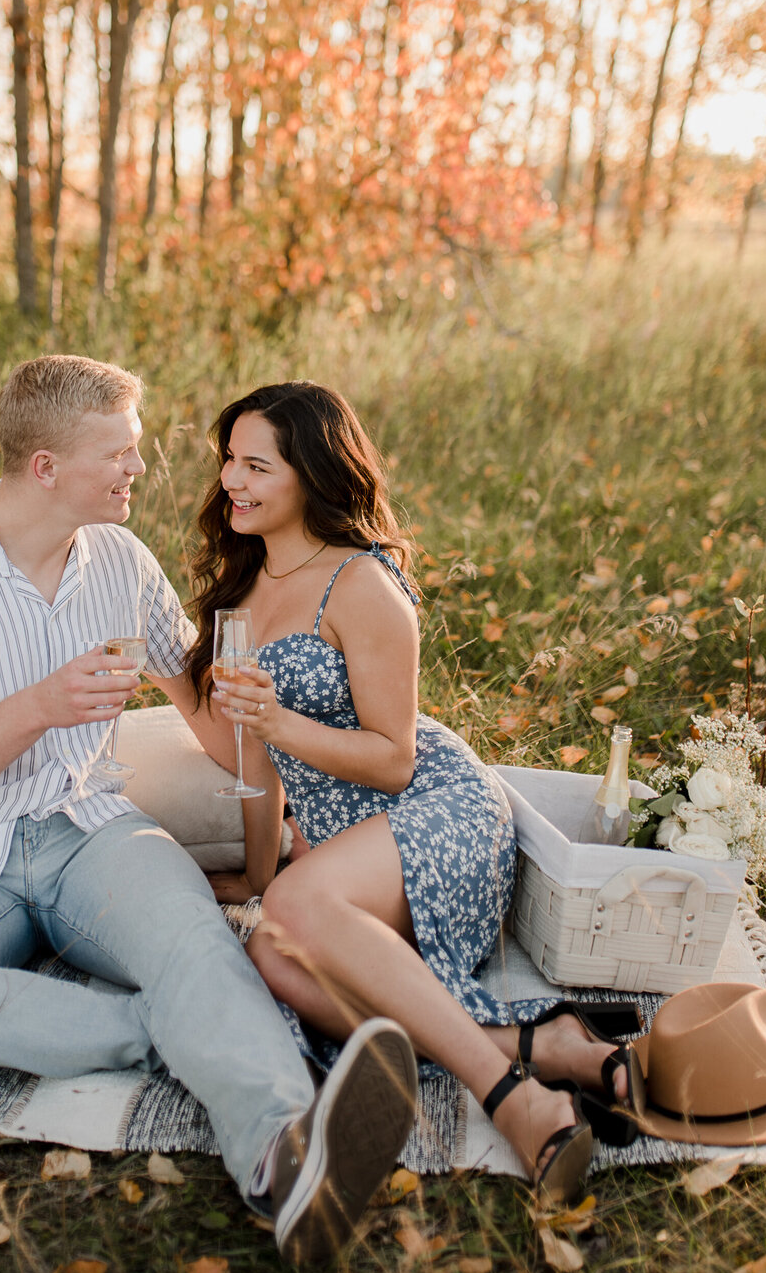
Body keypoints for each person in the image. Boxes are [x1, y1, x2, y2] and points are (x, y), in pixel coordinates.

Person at [0, 355, 417, 1264]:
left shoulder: (122, 562)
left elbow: (212, 724)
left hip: (93, 832)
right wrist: (40, 704)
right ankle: (163, 1030)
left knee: (197, 945)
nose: (140, 471)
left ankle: (284, 1156)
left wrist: (262, 723)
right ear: (46, 468)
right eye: (121, 454)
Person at [186, 380, 643, 1205]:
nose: (232, 482)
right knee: (271, 949)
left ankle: (510, 1099)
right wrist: (257, 878)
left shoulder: (362, 584)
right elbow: (250, 762)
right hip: (345, 853)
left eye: (257, 465)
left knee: (293, 916)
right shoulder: (244, 586)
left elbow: (393, 759)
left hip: (437, 813)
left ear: (312, 475)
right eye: (229, 462)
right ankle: (552, 1048)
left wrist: (278, 726)